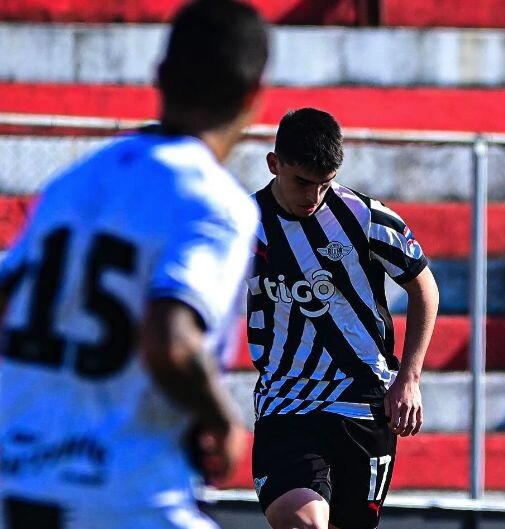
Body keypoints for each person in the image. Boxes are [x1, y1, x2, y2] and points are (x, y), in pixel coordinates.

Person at [0, 1, 268, 528]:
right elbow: (171, 341)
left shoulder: (74, 183)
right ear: (253, 97)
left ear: (160, 77)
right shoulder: (215, 202)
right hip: (121, 498)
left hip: (19, 485)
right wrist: (220, 418)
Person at [248, 108, 440, 529]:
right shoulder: (243, 226)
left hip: (365, 401)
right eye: (302, 181)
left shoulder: (365, 217)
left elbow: (424, 286)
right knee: (303, 522)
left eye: (325, 183)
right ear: (274, 164)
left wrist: (408, 379)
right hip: (288, 401)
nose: (313, 196)